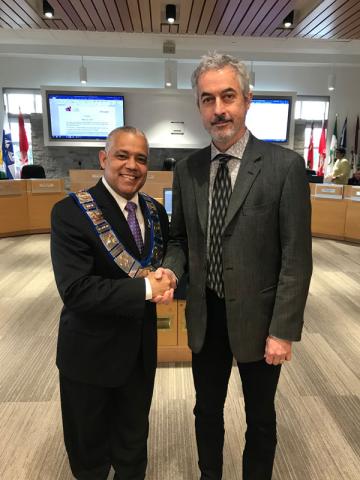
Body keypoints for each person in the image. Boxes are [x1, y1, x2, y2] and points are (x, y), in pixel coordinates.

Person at [155, 53, 313, 479]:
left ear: (247, 99)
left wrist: (283, 329)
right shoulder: (187, 170)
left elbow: (296, 257)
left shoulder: (284, 167)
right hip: (206, 318)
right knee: (206, 411)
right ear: (199, 107)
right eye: (208, 99)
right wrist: (171, 269)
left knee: (260, 417)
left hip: (261, 322)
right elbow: (179, 239)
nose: (219, 109)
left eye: (228, 96)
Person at [51, 126, 172, 480]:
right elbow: (76, 290)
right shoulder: (70, 212)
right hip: (89, 358)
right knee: (90, 455)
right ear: (104, 159)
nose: (131, 165)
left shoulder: (154, 212)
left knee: (134, 446)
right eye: (122, 155)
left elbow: (163, 264)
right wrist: (147, 290)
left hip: (139, 353)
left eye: (140, 158)